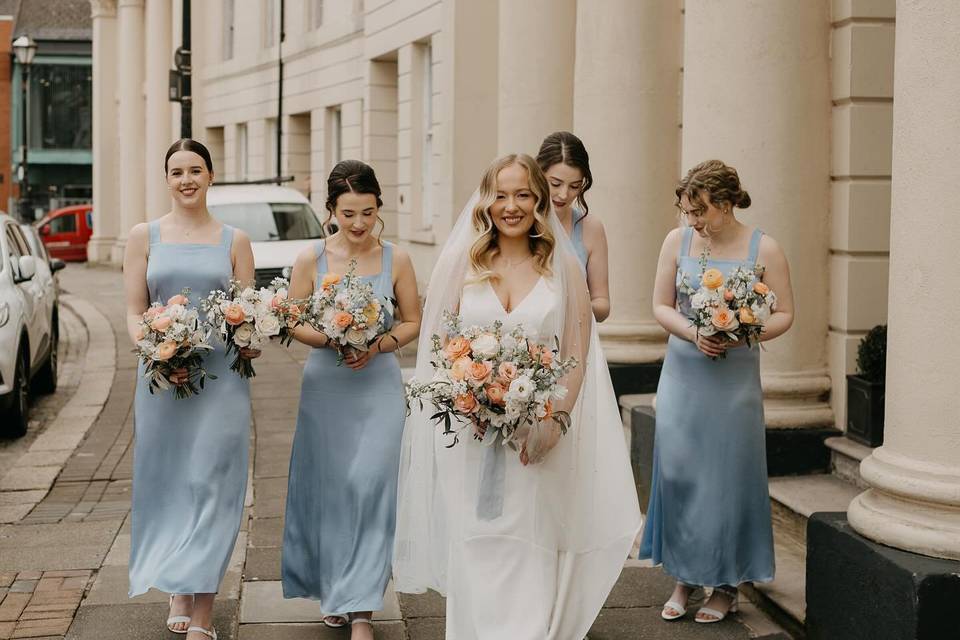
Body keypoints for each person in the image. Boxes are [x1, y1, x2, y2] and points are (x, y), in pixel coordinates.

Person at [393, 153, 642, 639]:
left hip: (540, 434)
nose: (512, 206)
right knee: (476, 543)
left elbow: (576, 349)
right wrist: (468, 399)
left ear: (539, 201)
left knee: (531, 544)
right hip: (470, 434)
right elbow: (442, 347)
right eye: (501, 194)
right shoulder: (463, 265)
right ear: (486, 201)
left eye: (524, 195)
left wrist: (554, 421)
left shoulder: (563, 266)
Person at [639, 159, 795, 623]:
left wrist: (746, 332)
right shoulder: (678, 241)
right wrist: (692, 333)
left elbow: (785, 313)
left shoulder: (764, 247)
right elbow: (660, 306)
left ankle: (726, 584)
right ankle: (685, 576)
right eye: (688, 212)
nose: (693, 221)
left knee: (726, 480)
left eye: (700, 211)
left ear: (726, 204)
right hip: (684, 375)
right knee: (682, 476)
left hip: (734, 380)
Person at [124, 138, 259, 640]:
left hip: (222, 379)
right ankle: (180, 581)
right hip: (162, 378)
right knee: (172, 482)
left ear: (211, 175)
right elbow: (135, 312)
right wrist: (158, 351)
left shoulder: (235, 240)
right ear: (166, 179)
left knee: (213, 482)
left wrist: (251, 340)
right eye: (177, 171)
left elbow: (246, 313)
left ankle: (203, 607)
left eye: (196, 170)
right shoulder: (144, 236)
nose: (187, 179)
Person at [281, 160, 421, 640]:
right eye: (347, 213)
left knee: (370, 484)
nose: (358, 224)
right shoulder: (311, 260)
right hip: (326, 386)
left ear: (379, 207)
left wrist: (378, 343)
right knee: (333, 490)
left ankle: (362, 605)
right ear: (331, 211)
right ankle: (337, 590)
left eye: (367, 212)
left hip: (379, 383)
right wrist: (329, 338)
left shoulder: (397, 259)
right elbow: (291, 319)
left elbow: (411, 321)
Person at [536, 131, 610, 321]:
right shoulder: (517, 222)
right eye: (555, 184)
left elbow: (602, 304)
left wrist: (571, 304)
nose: (564, 195)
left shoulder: (591, 228)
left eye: (575, 186)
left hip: (574, 339)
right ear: (538, 175)